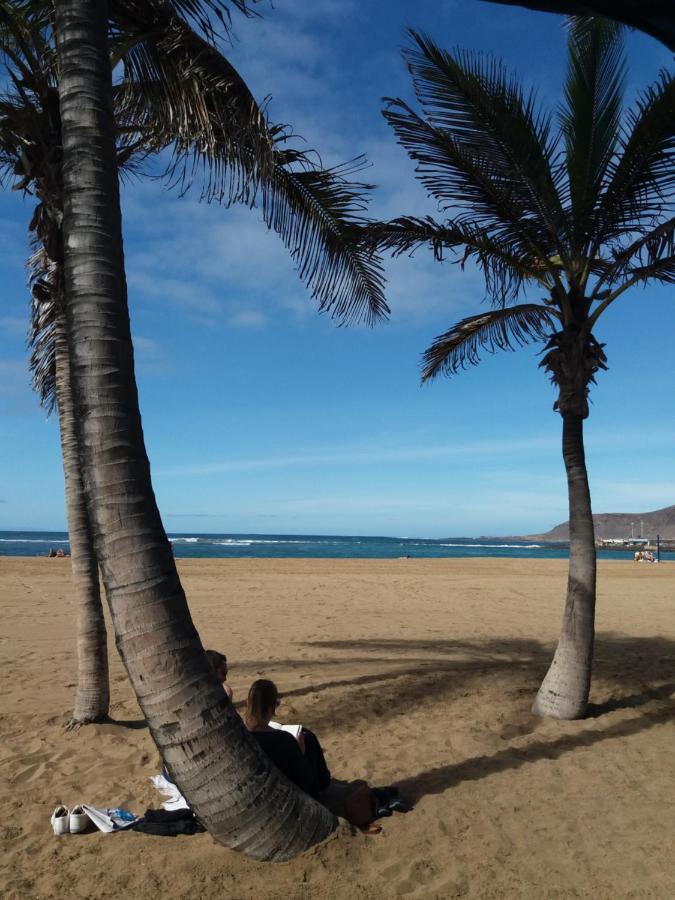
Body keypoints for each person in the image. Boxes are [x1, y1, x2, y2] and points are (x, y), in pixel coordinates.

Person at [244, 679, 321, 797]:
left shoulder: (238, 734)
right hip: (284, 796)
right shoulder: (284, 740)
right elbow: (306, 781)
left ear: (247, 702)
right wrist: (301, 751)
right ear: (272, 708)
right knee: (308, 738)